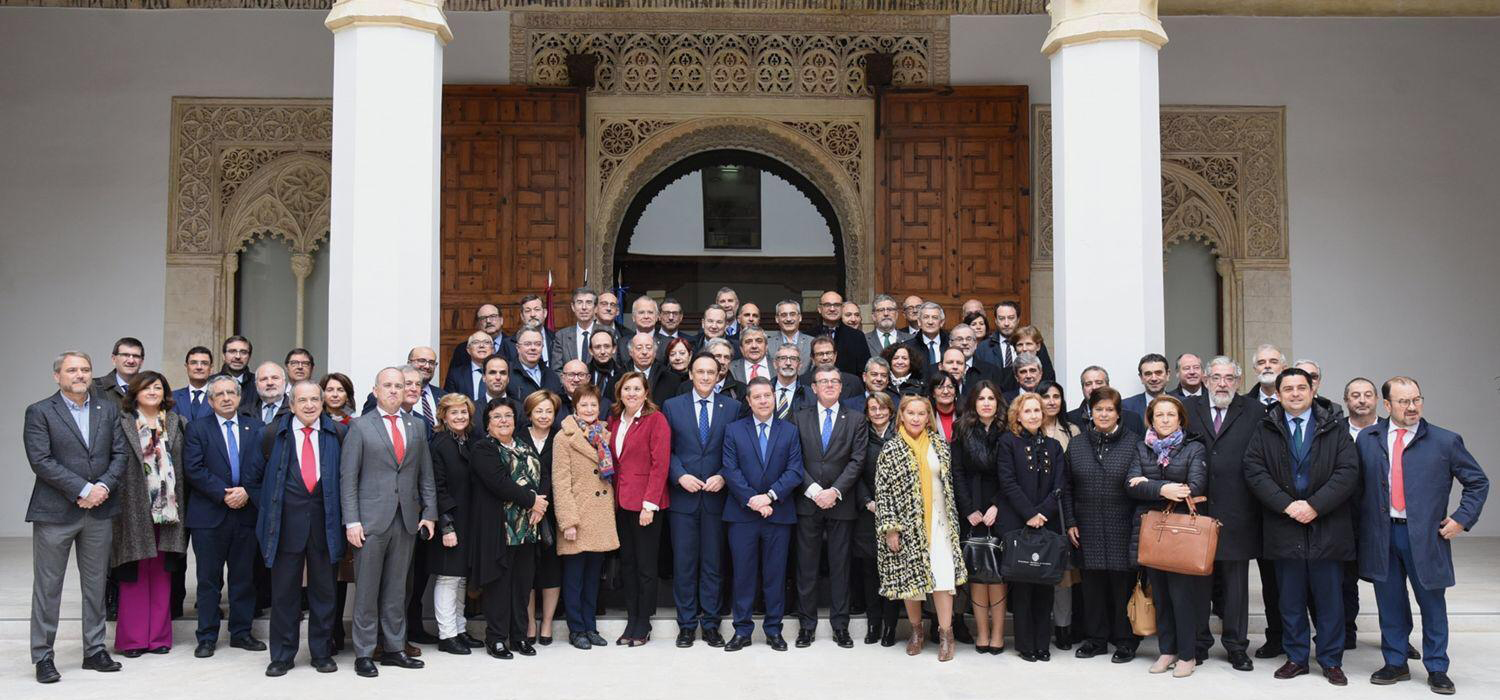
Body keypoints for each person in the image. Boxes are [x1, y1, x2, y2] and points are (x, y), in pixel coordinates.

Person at [1355, 376, 1488, 695]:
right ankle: (1396, 662)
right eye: (1403, 401)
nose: (1412, 406)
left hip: (1426, 537)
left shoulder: (1445, 441)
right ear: (1386, 405)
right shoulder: (1368, 438)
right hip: (1382, 535)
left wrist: (1461, 519)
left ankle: (1437, 667)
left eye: (1416, 399)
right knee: (1390, 603)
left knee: (1432, 603)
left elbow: (1477, 482)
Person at [1243, 367, 1358, 686]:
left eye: (1301, 388)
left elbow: (1348, 471)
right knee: (1289, 598)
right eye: (1288, 389)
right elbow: (1254, 471)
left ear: (1312, 391)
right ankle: (1296, 657)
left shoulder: (1334, 426)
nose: (1295, 393)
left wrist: (1315, 505)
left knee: (1329, 599)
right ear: (1278, 394)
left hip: (1327, 525)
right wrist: (1287, 504)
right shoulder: (1265, 427)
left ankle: (1331, 660)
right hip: (1284, 525)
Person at [26, 351, 128, 684]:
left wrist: (102, 487)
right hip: (55, 513)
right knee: (48, 587)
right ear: (57, 376)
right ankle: (43, 656)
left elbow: (120, 454)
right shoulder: (40, 411)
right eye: (72, 370)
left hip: (99, 512)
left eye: (85, 369)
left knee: (95, 585)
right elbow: (41, 461)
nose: (80, 375)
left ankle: (95, 650)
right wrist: (84, 488)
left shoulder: (107, 409)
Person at [242, 380, 345, 676]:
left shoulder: (337, 433)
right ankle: (283, 655)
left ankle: (322, 652)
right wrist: (273, 506)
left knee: (324, 592)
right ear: (292, 405)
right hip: (285, 526)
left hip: (325, 525)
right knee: (285, 594)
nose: (310, 405)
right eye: (303, 400)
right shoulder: (272, 434)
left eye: (315, 399)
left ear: (322, 403)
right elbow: (252, 479)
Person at [339, 367, 437, 678]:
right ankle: (365, 652)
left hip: (406, 520)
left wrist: (430, 514)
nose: (394, 390)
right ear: (376, 390)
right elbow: (348, 478)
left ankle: (395, 648)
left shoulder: (417, 426)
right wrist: (352, 520)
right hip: (370, 521)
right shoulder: (360, 427)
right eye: (388, 385)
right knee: (367, 590)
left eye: (400, 385)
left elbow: (426, 475)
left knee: (397, 589)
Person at [875, 395, 967, 662]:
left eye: (921, 413)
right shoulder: (891, 449)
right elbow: (884, 493)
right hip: (907, 527)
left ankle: (945, 634)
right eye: (911, 413)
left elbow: (950, 485)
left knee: (943, 579)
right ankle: (916, 632)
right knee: (911, 583)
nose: (916, 418)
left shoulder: (939, 445)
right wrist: (891, 529)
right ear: (901, 416)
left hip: (939, 523)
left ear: (929, 417)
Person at [1185, 357, 1262, 672]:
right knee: (1199, 582)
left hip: (1238, 510)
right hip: (1197, 511)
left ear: (1238, 381)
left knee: (1235, 587)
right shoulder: (1188, 410)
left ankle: (1236, 646)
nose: (1222, 383)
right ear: (1205, 379)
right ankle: (1200, 644)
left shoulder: (1255, 411)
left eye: (1229, 378)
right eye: (1216, 377)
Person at [182, 374, 265, 658]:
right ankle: (206, 636)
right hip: (209, 516)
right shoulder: (196, 429)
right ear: (210, 400)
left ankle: (241, 633)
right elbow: (194, 469)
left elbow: (264, 467)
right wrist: (225, 493)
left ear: (240, 397)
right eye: (220, 394)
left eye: (232, 392)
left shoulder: (257, 428)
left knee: (243, 579)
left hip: (246, 514)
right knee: (208, 581)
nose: (227, 398)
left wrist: (246, 492)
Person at [1126, 396, 1210, 678]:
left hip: (1181, 532)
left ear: (1180, 418)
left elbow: (1195, 486)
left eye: (1170, 415)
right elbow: (1131, 485)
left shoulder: (1194, 448)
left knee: (1182, 596)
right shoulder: (1142, 447)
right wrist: (1164, 489)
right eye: (1158, 415)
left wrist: (1150, 485)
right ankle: (1168, 650)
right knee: (1160, 595)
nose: (1164, 419)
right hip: (1152, 531)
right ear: (1150, 418)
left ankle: (1188, 655)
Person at [720, 378, 804, 652]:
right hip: (742, 515)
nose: (764, 401)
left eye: (768, 395)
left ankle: (773, 631)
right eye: (757, 397)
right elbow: (730, 471)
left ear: (774, 397)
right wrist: (753, 501)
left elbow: (794, 471)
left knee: (775, 576)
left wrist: (768, 497)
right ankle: (742, 630)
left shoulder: (790, 431)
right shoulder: (733, 430)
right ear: (749, 401)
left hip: (778, 514)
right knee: (743, 575)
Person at [662, 354, 741, 648]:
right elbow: (665, 449)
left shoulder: (732, 407)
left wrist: (723, 475)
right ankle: (686, 625)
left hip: (717, 499)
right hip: (683, 499)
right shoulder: (673, 406)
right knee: (684, 564)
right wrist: (679, 475)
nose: (706, 377)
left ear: (719, 375)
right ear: (691, 375)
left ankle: (710, 624)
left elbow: (736, 450)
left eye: (711, 372)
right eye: (700, 372)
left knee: (713, 565)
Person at [111, 371, 188, 657]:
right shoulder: (122, 424)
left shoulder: (178, 423)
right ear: (135, 392)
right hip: (132, 508)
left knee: (162, 572)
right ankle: (132, 640)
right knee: (134, 572)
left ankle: (158, 638)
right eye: (147, 387)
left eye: (158, 387)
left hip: (169, 510)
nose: (153, 391)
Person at [791, 365, 868, 648]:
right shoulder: (799, 417)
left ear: (841, 386)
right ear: (813, 387)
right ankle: (806, 626)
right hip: (807, 502)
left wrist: (834, 491)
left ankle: (841, 626)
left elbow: (857, 460)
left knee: (840, 567)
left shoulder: (856, 419)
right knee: (806, 568)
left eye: (835, 381)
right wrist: (813, 490)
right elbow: (793, 458)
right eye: (823, 381)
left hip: (841, 503)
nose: (830, 385)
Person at [1063, 387, 1141, 663]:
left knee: (1122, 587)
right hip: (1087, 526)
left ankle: (1124, 641)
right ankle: (1096, 639)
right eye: (1098, 409)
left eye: (1109, 409)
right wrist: (1071, 521)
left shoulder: (1134, 443)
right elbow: (1067, 487)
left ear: (1118, 413)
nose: (1104, 414)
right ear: (1090, 412)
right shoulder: (1077, 444)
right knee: (1092, 587)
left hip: (1123, 525)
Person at [468, 400, 548, 659]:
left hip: (526, 529)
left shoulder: (525, 447)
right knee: (499, 586)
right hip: (498, 529)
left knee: (522, 586)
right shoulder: (483, 449)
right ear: (488, 423)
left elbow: (542, 475)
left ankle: (519, 636)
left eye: (508, 416)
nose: (503, 420)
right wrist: (533, 500)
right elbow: (499, 483)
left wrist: (540, 505)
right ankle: (496, 638)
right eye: (497, 417)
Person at [996, 392, 1068, 662]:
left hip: (1046, 524)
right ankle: (1026, 644)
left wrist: (1042, 514)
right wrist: (1029, 513)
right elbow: (1007, 482)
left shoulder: (1053, 446)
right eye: (1027, 411)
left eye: (1037, 410)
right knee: (1024, 585)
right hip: (1018, 522)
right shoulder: (1008, 442)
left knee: (1045, 584)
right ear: (1017, 415)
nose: (1034, 415)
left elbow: (1060, 485)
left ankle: (1042, 644)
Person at [551, 384, 620, 650]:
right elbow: (561, 481)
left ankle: (590, 626)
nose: (589, 410)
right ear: (575, 407)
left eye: (593, 405)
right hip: (578, 516)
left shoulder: (604, 433)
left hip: (600, 515)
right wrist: (567, 521)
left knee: (594, 577)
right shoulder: (564, 436)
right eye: (584, 405)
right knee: (574, 577)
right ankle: (576, 628)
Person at [608, 371, 671, 645]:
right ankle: (631, 618)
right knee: (628, 564)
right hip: (620, 503)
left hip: (646, 504)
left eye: (637, 389)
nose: (631, 394)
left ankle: (643, 623)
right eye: (626, 389)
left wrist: (650, 504)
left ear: (646, 393)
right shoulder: (613, 421)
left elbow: (660, 464)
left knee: (645, 566)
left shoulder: (655, 420)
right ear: (620, 393)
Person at [951, 380, 1006, 655]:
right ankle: (982, 633)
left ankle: (998, 633)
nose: (986, 403)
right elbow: (956, 473)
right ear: (973, 402)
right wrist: (969, 508)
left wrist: (997, 505)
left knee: (996, 574)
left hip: (1000, 507)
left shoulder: (1008, 430)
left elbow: (1011, 474)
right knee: (976, 572)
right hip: (971, 508)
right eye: (981, 398)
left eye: (991, 398)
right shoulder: (961, 430)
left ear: (998, 402)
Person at [426, 394, 483, 655]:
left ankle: (459, 629)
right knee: (448, 577)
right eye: (454, 413)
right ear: (443, 416)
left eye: (464, 412)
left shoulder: (469, 441)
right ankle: (447, 634)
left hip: (469, 519)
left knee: (460, 578)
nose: (459, 417)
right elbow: (437, 487)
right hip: (450, 521)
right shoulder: (440, 443)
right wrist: (447, 526)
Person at [1037, 379, 1082, 650]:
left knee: (1064, 572)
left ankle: (1063, 627)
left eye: (1057, 396)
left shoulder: (1073, 430)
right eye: (1046, 396)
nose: (1052, 401)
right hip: (1035, 508)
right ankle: (1040, 624)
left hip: (1064, 507)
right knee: (1037, 567)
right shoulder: (1028, 426)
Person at [517, 390, 563, 645]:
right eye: (539, 411)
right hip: (523, 511)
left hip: (553, 512)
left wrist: (543, 503)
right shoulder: (518, 437)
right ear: (530, 413)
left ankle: (546, 623)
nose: (544, 416)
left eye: (548, 411)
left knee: (550, 568)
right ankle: (529, 624)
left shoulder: (561, 438)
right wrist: (531, 502)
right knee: (527, 570)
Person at [856, 392, 901, 646]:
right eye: (872, 408)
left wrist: (889, 507)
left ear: (890, 411)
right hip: (868, 514)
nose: (877, 412)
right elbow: (855, 472)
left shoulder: (900, 438)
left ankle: (890, 627)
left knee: (891, 572)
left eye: (882, 408)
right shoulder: (861, 437)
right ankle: (873, 624)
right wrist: (867, 501)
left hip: (894, 516)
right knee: (870, 572)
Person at [811, 290, 871, 376]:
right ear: (819, 309)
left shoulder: (857, 336)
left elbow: (864, 370)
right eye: (827, 305)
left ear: (842, 308)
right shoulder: (809, 335)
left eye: (837, 305)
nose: (832, 309)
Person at [448, 303, 513, 374]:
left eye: (493, 316)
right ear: (478, 323)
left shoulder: (514, 346)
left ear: (501, 320)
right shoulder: (462, 349)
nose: (488, 321)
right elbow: (453, 379)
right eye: (483, 318)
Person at [510, 327, 566, 401]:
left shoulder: (551, 375)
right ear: (518, 347)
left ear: (542, 347)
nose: (533, 348)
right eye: (527, 344)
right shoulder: (508, 374)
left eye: (537, 344)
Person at [552, 287, 599, 370]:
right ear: (573, 307)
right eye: (579, 302)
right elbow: (557, 369)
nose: (584, 307)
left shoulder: (607, 333)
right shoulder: (561, 336)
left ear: (595, 308)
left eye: (588, 302)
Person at [445, 331, 496, 404]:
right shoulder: (455, 375)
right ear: (468, 350)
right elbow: (449, 402)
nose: (481, 345)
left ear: (493, 349)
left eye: (486, 342)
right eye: (476, 342)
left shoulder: (504, 372)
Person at [1120, 353, 1170, 427]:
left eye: (1158, 373)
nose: (1154, 378)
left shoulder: (1181, 404)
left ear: (1167, 375)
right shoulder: (1126, 406)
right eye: (1148, 374)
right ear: (1141, 378)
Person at [93, 337, 145, 406]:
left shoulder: (151, 389)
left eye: (136, 356)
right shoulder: (94, 387)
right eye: (125, 355)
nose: (131, 361)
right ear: (114, 359)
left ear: (141, 362)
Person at [173, 346, 216, 422]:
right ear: (186, 367)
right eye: (193, 363)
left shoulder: (218, 397)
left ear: (211, 368)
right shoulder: (173, 397)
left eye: (204, 363)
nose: (199, 367)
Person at [903, 301, 949, 374]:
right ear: (919, 322)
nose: (930, 322)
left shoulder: (950, 344)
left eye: (935, 318)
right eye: (926, 317)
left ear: (942, 322)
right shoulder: (908, 347)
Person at [241, 361, 290, 426]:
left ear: (284, 381)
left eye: (275, 378)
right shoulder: (244, 412)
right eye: (264, 379)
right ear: (256, 384)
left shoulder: (295, 410)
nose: (270, 383)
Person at [768, 298, 813, 367]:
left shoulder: (812, 342)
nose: (788, 319)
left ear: (800, 317)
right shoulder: (768, 344)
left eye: (792, 314)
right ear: (777, 319)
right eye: (783, 315)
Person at [771, 343, 810, 419]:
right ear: (775, 364)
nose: (788, 363)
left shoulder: (810, 395)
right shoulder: (765, 391)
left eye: (793, 359)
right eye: (783, 358)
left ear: (800, 365)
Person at [220, 335, 256, 403]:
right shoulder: (211, 383)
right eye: (232, 351)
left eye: (243, 352)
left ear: (249, 357)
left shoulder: (258, 383)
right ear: (223, 356)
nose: (238, 356)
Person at [926, 373, 960, 441]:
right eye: (940, 387)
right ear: (933, 393)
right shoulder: (926, 417)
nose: (945, 391)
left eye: (950, 387)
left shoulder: (966, 416)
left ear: (955, 392)